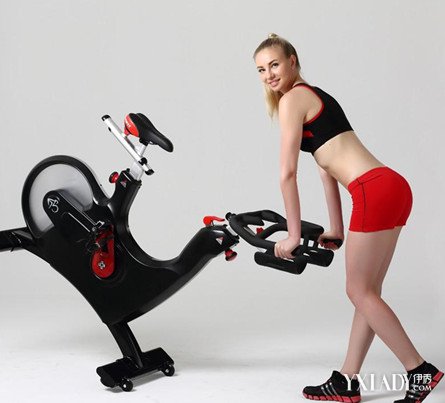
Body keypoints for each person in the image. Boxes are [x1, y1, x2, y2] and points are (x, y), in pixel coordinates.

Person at [253, 33, 443, 403]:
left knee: (358, 291)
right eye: (261, 70)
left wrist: (292, 235)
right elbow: (327, 169)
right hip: (391, 186)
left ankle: (419, 370)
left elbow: (287, 174)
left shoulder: (292, 99)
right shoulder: (316, 96)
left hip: (372, 189)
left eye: (274, 64)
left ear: (293, 61)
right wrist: (336, 229)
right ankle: (347, 380)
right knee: (368, 292)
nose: (269, 74)